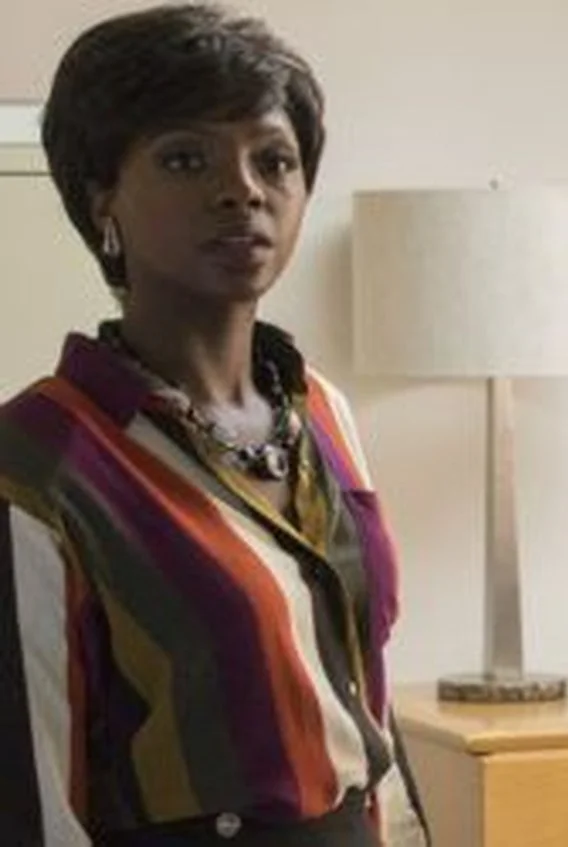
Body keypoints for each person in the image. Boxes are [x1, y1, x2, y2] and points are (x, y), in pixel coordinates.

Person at [0, 5, 428, 845]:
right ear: (101, 198)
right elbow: (31, 794)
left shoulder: (323, 412)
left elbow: (365, 712)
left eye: (275, 160)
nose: (243, 189)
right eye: (185, 158)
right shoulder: (37, 464)